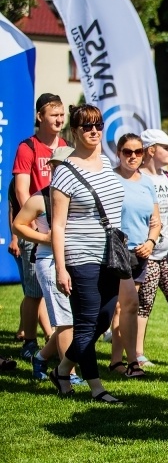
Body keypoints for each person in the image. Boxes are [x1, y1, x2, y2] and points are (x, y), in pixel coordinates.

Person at [49, 104, 126, 403]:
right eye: (86, 126)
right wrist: (60, 268)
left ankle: (63, 368)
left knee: (104, 319)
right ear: (75, 131)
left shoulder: (107, 163)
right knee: (87, 322)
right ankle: (97, 388)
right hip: (80, 256)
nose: (94, 131)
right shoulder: (65, 172)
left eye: (98, 125)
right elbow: (57, 225)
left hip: (111, 255)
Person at [12, 147, 84, 384]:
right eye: (57, 166)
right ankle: (68, 374)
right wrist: (45, 238)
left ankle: (41, 357)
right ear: (51, 168)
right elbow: (18, 225)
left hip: (76, 259)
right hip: (49, 261)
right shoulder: (39, 197)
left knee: (78, 319)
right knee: (65, 320)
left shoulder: (80, 196)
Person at [11, 93, 66, 359]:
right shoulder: (28, 148)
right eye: (54, 114)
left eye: (61, 114)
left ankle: (57, 338)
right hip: (35, 227)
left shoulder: (65, 147)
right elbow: (22, 190)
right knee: (34, 291)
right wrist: (33, 226)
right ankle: (30, 343)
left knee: (59, 287)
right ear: (40, 116)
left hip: (60, 226)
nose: (59, 119)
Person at [108, 134, 161, 378]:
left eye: (138, 152)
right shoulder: (109, 178)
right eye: (127, 152)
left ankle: (116, 361)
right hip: (116, 251)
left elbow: (155, 221)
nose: (132, 156)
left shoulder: (147, 183)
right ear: (118, 153)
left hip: (141, 253)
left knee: (124, 308)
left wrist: (151, 241)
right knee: (127, 306)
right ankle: (132, 362)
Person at [136, 129, 168, 367]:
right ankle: (137, 354)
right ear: (150, 150)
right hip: (145, 253)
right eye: (165, 147)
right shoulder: (137, 178)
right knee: (142, 305)